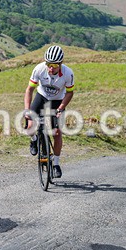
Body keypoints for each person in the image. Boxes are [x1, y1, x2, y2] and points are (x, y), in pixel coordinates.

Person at [24, 45, 75, 178]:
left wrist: (61, 108)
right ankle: (34, 139)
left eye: (54, 65)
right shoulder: (39, 69)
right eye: (48, 64)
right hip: (41, 97)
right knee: (30, 125)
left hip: (57, 101)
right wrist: (27, 110)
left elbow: (70, 93)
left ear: (60, 64)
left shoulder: (68, 73)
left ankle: (56, 163)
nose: (51, 68)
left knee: (57, 132)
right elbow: (29, 90)